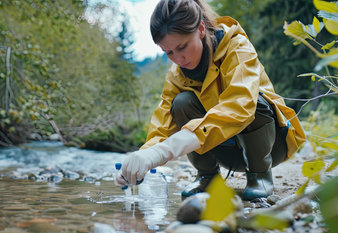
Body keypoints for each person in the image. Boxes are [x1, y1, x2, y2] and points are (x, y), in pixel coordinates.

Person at [115, 0, 305, 201]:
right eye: (169, 52)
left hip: (270, 145)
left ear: (201, 29)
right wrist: (141, 160)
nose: (179, 59)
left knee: (254, 102)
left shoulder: (238, 48)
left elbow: (240, 106)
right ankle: (208, 177)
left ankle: (260, 177)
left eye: (182, 46)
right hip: (223, 149)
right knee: (180, 103)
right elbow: (162, 127)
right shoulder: (176, 75)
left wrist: (166, 150)